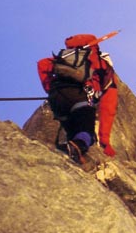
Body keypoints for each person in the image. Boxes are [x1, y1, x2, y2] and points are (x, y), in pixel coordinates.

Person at [37, 33, 118, 162]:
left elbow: (42, 64)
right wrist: (105, 141)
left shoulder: (67, 57)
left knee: (73, 132)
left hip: (57, 99)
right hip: (80, 98)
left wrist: (50, 89)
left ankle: (73, 153)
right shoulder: (101, 64)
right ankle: (76, 148)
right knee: (86, 134)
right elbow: (108, 107)